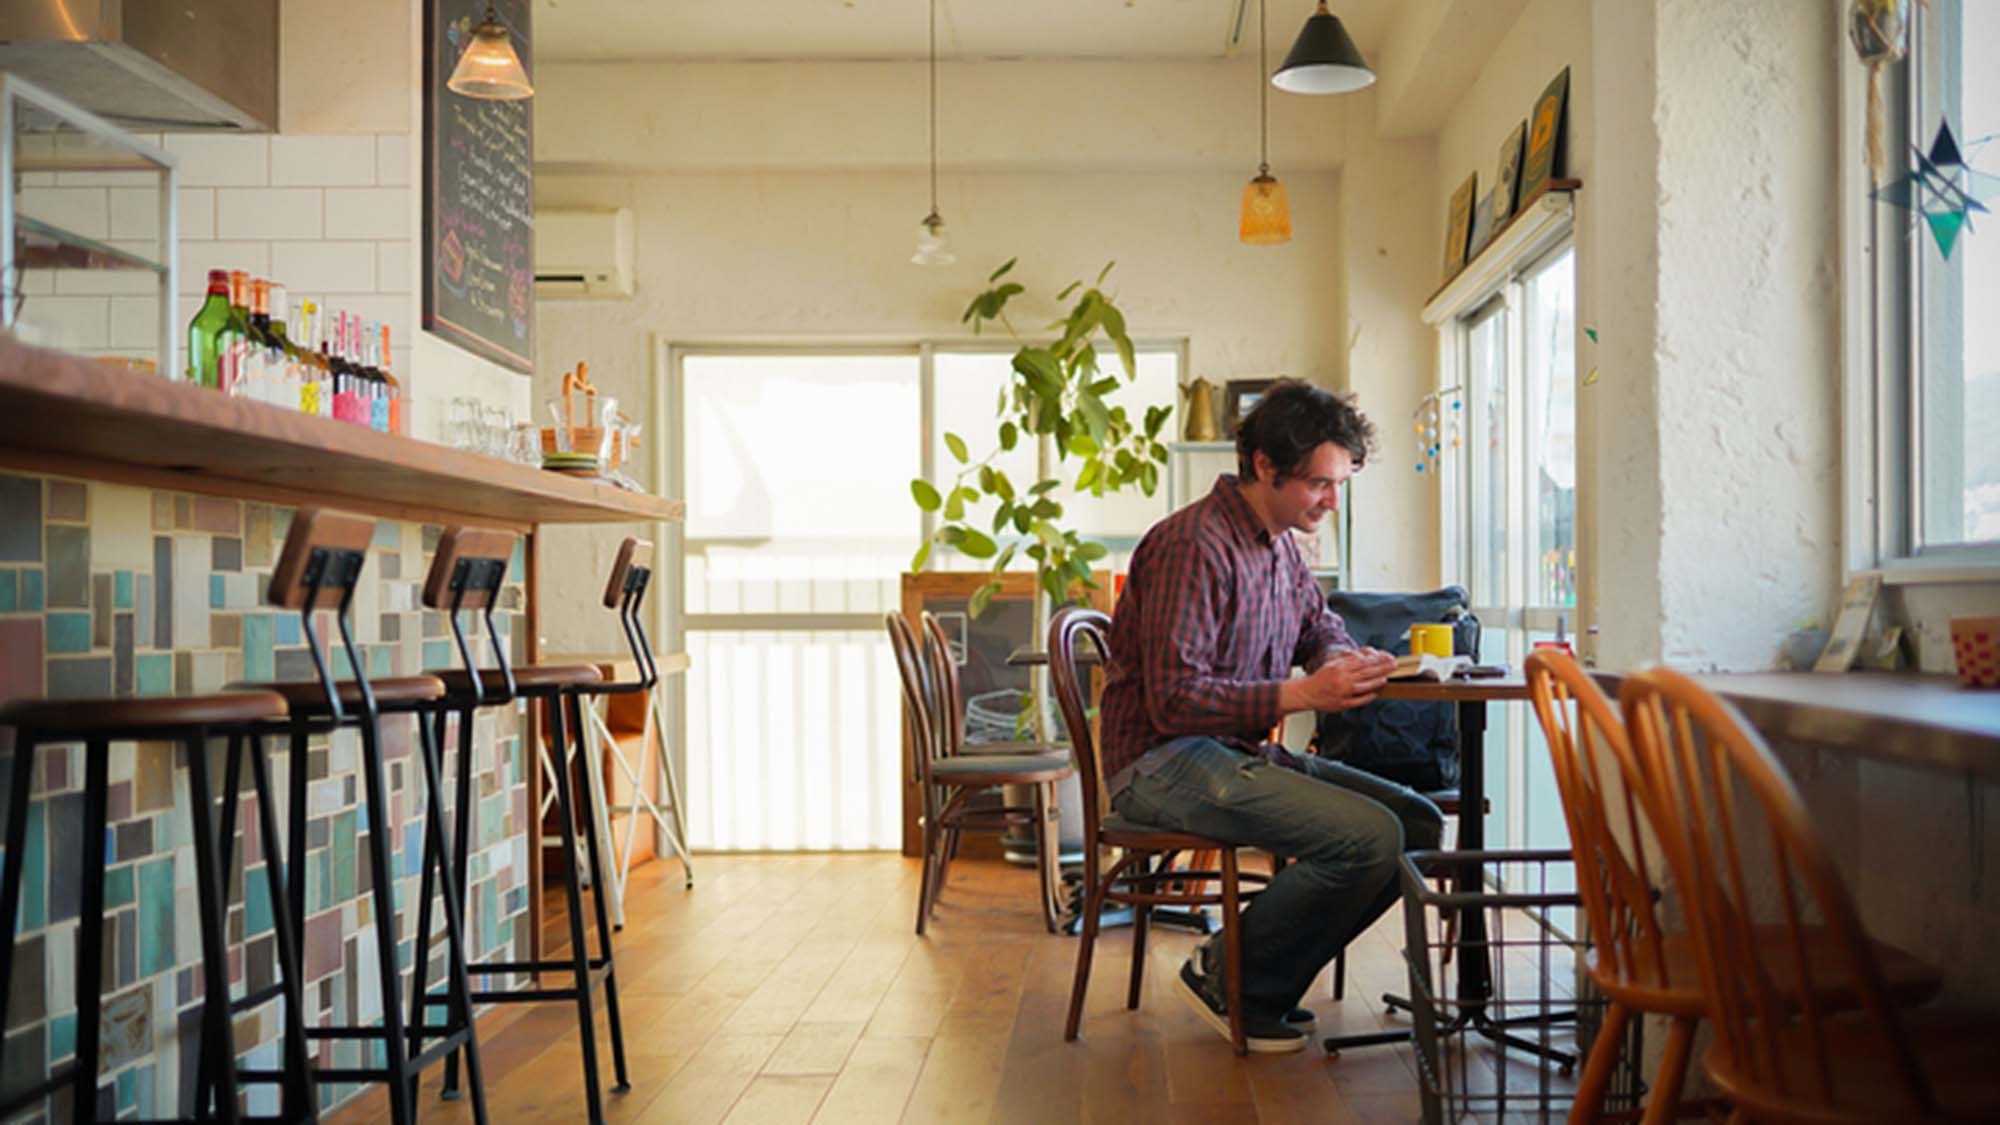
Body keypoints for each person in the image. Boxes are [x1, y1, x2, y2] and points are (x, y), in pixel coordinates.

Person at [1097, 379, 1445, 1053]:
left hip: (1229, 751)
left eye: (1339, 484)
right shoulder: (1193, 543)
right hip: (1159, 760)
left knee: (1416, 824)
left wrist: (1348, 659)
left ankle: (1251, 977)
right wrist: (1302, 695)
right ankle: (1231, 973)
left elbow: (1318, 626)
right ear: (1264, 465)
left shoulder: (1283, 544)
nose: (1330, 500)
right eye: (1320, 483)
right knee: (1369, 837)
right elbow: (1173, 700)